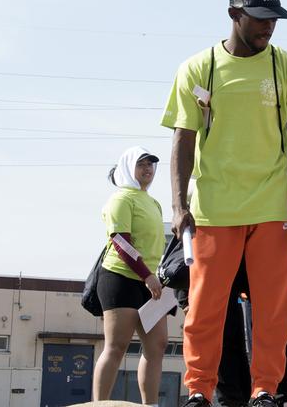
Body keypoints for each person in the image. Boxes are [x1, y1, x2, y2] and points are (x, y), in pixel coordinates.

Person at [163, 0, 287, 407]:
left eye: (274, 20)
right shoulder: (199, 69)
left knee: (274, 309)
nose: (268, 27)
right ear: (235, 14)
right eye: (259, 18)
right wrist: (179, 206)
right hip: (214, 208)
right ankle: (198, 389)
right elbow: (182, 140)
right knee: (204, 308)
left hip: (273, 207)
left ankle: (265, 390)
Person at [92, 146, 167, 405]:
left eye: (151, 164)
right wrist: (147, 274)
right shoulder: (121, 199)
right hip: (120, 278)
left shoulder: (153, 202)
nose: (148, 169)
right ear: (127, 168)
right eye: (141, 164)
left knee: (157, 345)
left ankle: (151, 404)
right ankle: (99, 403)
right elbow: (121, 242)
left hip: (150, 282)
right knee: (117, 346)